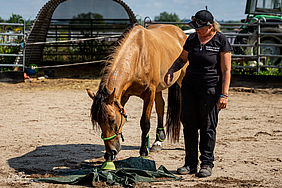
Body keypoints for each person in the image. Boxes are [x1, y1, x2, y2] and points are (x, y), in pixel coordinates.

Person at [164, 10, 232, 178]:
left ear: (210, 26)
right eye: (195, 27)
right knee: (189, 126)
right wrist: (171, 70)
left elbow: (226, 70)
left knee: (208, 127)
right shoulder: (193, 39)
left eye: (199, 27)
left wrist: (224, 94)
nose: (196, 30)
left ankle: (207, 164)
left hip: (210, 90)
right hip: (189, 89)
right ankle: (190, 163)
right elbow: (182, 59)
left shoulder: (220, 40)